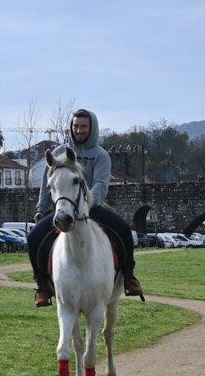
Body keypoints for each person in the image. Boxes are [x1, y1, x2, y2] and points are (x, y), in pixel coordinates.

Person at [27, 108, 143, 307]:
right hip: (63, 208)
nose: (79, 130)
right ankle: (42, 286)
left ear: (92, 128)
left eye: (83, 126)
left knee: (123, 230)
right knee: (34, 237)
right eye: (76, 126)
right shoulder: (58, 152)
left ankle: (129, 276)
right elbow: (49, 185)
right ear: (71, 128)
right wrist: (41, 208)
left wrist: (87, 204)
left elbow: (100, 184)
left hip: (92, 207)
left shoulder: (101, 155)